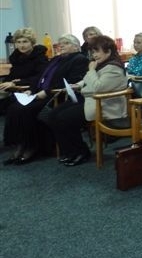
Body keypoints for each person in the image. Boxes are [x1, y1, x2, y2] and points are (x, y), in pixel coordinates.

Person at [3, 34, 89, 165]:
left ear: (76, 46)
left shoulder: (79, 59)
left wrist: (46, 92)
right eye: (60, 43)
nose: (61, 46)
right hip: (39, 93)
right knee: (14, 108)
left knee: (25, 110)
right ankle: (21, 146)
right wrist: (31, 90)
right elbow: (40, 77)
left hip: (55, 96)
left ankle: (32, 147)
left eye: (66, 43)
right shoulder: (56, 59)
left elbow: (71, 81)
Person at [45, 36, 128, 166]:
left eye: (97, 51)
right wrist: (78, 85)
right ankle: (70, 151)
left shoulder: (114, 68)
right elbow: (88, 80)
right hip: (92, 101)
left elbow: (98, 87)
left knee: (64, 118)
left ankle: (81, 152)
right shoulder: (103, 65)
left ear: (108, 51)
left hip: (105, 106)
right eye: (92, 52)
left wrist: (91, 70)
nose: (94, 55)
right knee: (53, 114)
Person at [0, 28, 48, 115]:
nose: (21, 45)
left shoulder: (40, 57)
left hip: (31, 90)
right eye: (18, 42)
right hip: (16, 89)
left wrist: (15, 83)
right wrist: (7, 82)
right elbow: (12, 75)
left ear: (32, 43)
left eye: (25, 41)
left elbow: (40, 77)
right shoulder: (16, 56)